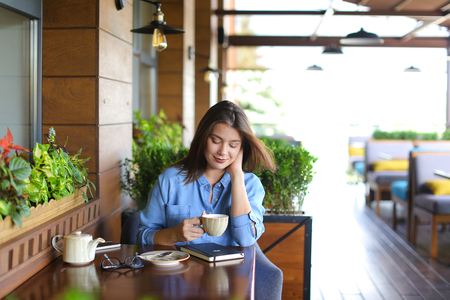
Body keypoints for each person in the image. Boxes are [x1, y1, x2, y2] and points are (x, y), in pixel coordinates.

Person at [137, 100, 276, 247]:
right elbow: (142, 237)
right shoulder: (171, 180)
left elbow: (246, 239)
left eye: (233, 145)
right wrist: (174, 234)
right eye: (215, 141)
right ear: (203, 137)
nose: (222, 151)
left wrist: (237, 176)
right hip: (182, 269)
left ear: (241, 148)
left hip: (231, 270)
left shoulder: (250, 185)